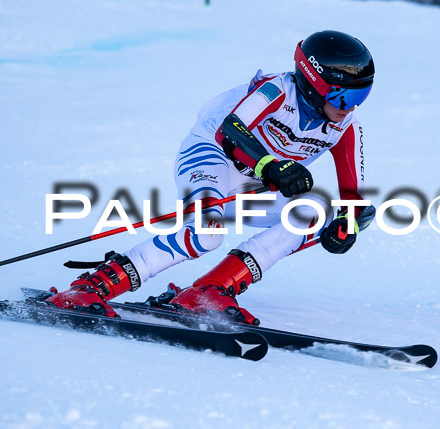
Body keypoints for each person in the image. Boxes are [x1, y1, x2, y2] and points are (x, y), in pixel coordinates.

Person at [45, 30, 376, 324]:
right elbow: (230, 130)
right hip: (209, 157)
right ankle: (89, 287)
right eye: (342, 96)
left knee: (315, 211)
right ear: (311, 84)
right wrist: (271, 167)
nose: (349, 107)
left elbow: (354, 197)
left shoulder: (346, 126)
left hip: (250, 186)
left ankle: (208, 291)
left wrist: (348, 226)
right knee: (206, 234)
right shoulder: (276, 91)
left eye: (361, 97)